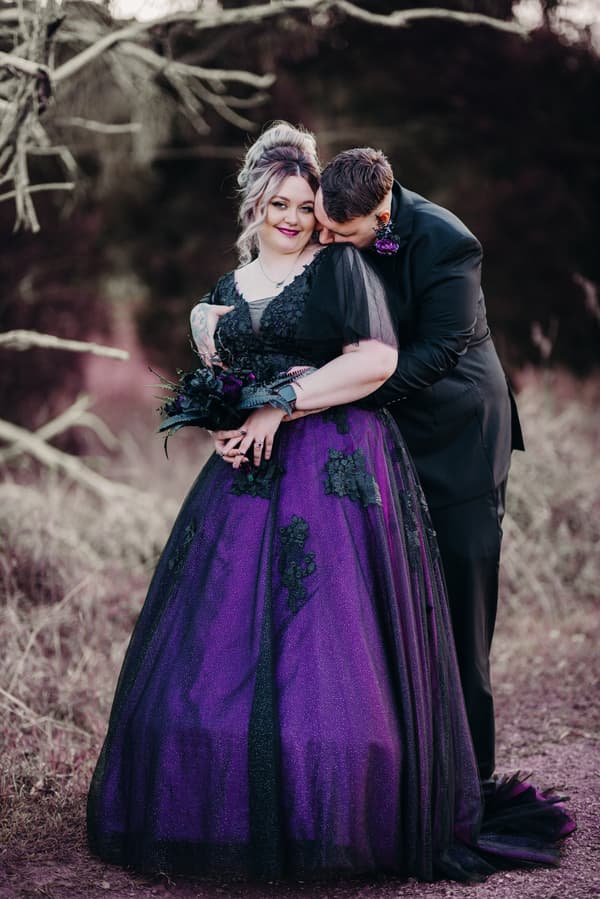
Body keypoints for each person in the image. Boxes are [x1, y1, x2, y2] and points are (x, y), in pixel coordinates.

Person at [87, 123, 572, 882]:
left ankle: (450, 786)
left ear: (356, 213)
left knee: (444, 618)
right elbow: (235, 365)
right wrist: (228, 413)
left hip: (447, 437)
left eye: (307, 207)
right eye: (282, 203)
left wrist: (287, 403)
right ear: (256, 204)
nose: (299, 218)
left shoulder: (433, 245)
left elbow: (419, 353)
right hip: (308, 444)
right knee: (244, 636)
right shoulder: (247, 281)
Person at [315, 150, 524, 781]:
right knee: (385, 607)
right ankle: (401, 781)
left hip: (459, 438)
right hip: (382, 438)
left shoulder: (450, 242)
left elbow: (438, 350)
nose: (325, 239)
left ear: (380, 214)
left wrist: (339, 392)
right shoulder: (339, 230)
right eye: (321, 225)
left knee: (463, 611)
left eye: (338, 233)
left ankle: (472, 785)